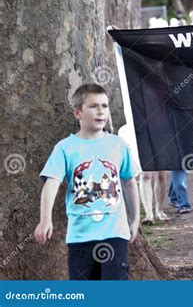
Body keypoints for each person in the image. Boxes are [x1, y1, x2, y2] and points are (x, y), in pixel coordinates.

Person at [34, 84, 140, 280]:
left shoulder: (117, 144)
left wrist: (135, 219)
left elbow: (129, 182)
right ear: (77, 113)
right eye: (93, 106)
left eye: (105, 106)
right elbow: (51, 184)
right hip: (80, 237)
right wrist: (45, 219)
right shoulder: (65, 148)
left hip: (115, 234)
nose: (101, 111)